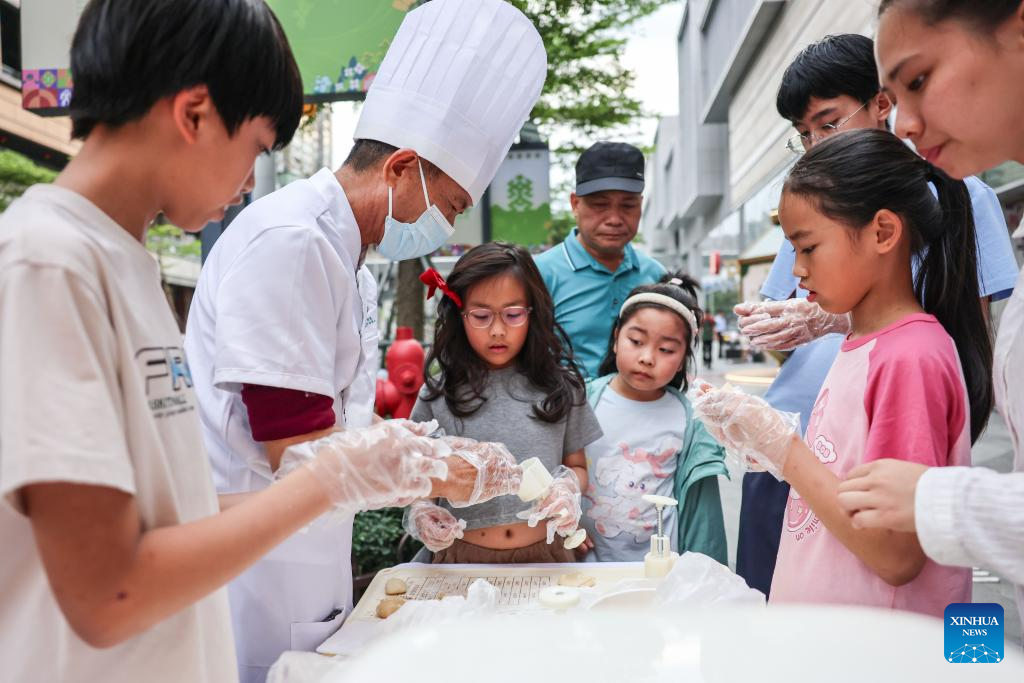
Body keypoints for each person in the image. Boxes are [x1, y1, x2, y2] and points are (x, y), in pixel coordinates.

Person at [0, 2, 499, 682]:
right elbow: (108, 595)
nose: (248, 185)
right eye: (259, 148)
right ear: (194, 114)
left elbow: (176, 511)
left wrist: (388, 468)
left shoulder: (126, 263)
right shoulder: (49, 264)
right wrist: (335, 476)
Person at [182, 1, 547, 679]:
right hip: (254, 572)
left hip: (306, 553)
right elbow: (295, 448)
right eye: (451, 204)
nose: (446, 225)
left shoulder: (348, 259)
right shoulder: (293, 242)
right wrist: (434, 471)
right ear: (402, 168)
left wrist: (419, 466)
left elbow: (337, 426)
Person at [733, 32, 1019, 598]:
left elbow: (967, 333)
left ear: (881, 104)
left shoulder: (960, 201)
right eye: (804, 134)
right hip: (806, 431)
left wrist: (841, 323)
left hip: (872, 444)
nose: (815, 145)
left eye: (827, 124)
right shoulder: (815, 199)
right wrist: (793, 325)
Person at [694, 128, 992, 617]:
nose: (797, 270)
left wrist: (783, 448)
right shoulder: (863, 342)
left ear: (883, 232)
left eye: (808, 248)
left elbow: (895, 553)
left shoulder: (909, 357)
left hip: (878, 643)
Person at [833, 0, 1024, 630]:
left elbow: (897, 557)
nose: (906, 124)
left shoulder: (913, 352)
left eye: (918, 79)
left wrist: (936, 499)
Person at [408, 243, 604, 563]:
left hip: (547, 556)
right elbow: (419, 476)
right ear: (459, 316)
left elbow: (577, 466)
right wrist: (422, 510)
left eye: (513, 315)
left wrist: (568, 487)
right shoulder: (438, 394)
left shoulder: (562, 387)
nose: (498, 330)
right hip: (461, 559)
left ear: (533, 313)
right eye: (481, 316)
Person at [581, 274, 728, 564]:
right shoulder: (582, 402)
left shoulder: (690, 420)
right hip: (587, 570)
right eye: (636, 341)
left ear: (683, 358)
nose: (647, 357)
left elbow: (704, 518)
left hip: (661, 574)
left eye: (666, 350)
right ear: (616, 339)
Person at [535, 142, 665, 379]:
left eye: (627, 205)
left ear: (640, 205)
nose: (614, 219)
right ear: (575, 204)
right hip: (563, 402)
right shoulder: (539, 275)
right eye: (600, 205)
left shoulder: (656, 275)